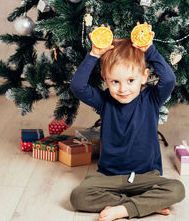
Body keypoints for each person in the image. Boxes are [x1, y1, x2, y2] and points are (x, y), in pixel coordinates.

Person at [70, 23, 185, 221]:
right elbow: (78, 86)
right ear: (105, 79)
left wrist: (149, 49)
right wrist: (94, 54)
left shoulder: (151, 99)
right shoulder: (105, 101)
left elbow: (168, 80)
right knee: (78, 196)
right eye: (115, 82)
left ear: (144, 77)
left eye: (131, 80)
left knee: (177, 189)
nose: (123, 89)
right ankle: (144, 204)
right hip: (108, 177)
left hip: (145, 177)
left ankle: (124, 209)